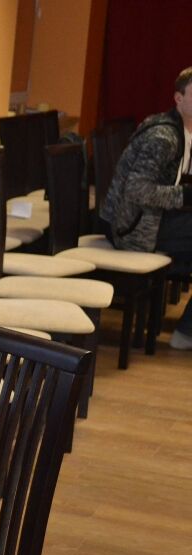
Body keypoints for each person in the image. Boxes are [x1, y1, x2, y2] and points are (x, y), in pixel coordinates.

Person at [101, 66, 192, 349]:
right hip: (132, 228)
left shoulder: (182, 130)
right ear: (178, 98)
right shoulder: (164, 137)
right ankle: (186, 334)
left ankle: (186, 332)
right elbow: (137, 189)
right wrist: (186, 196)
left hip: (150, 219)